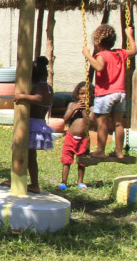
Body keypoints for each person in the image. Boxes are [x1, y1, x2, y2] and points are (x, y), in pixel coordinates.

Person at [83, 22, 136, 158]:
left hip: (105, 94)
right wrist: (129, 35)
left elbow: (99, 67)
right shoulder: (120, 53)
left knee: (102, 123)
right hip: (120, 93)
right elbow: (134, 51)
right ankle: (119, 152)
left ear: (98, 42)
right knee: (118, 124)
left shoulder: (101, 56)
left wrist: (88, 56)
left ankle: (100, 151)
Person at [11, 56, 54, 193]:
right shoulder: (48, 87)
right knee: (30, 156)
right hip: (39, 123)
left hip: (32, 124)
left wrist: (22, 96)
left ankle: (19, 180)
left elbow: (39, 99)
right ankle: (33, 183)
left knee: (22, 153)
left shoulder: (37, 87)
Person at [59, 81, 92, 190]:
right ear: (77, 95)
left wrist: (83, 110)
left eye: (87, 94)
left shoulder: (91, 108)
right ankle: (64, 182)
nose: (84, 96)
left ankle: (80, 182)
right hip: (70, 137)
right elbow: (65, 119)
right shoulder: (72, 105)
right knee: (66, 160)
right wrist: (74, 109)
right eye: (82, 94)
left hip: (83, 138)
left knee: (82, 161)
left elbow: (89, 122)